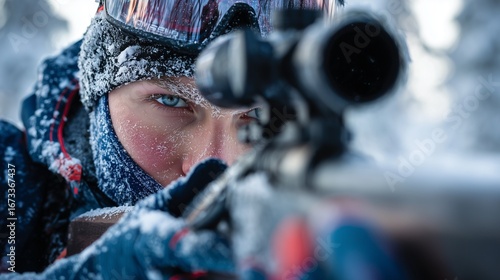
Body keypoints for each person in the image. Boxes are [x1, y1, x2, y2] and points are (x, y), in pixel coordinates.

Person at [0, 0, 340, 277]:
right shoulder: (9, 183)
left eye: (257, 119)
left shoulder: (335, 220)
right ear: (99, 93)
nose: (212, 166)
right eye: (171, 101)